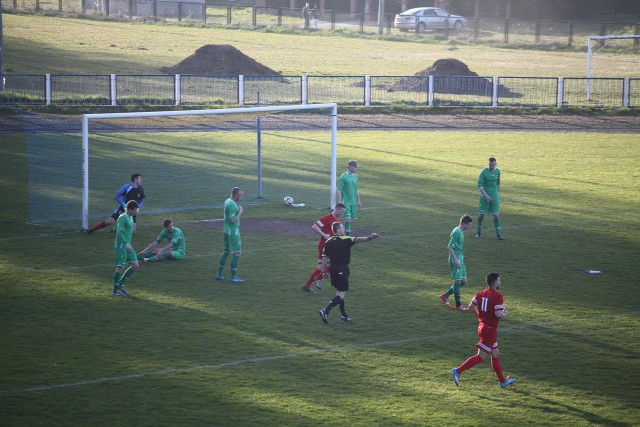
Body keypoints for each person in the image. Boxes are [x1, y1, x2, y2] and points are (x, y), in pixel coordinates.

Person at [451, 272, 518, 388]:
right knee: (481, 357)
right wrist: (504, 314)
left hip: (482, 327)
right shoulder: (498, 297)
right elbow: (497, 314)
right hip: (489, 330)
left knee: (496, 354)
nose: (500, 282)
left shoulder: (481, 293)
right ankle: (457, 371)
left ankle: (502, 381)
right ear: (495, 282)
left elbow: (471, 306)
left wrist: (480, 317)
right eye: (499, 280)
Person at [318, 222, 379, 324]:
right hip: (342, 269)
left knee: (339, 292)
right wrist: (370, 237)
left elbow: (324, 258)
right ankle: (326, 310)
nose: (344, 229)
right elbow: (359, 239)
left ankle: (344, 316)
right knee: (341, 294)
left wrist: (324, 272)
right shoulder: (345, 239)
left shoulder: (328, 241)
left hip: (332, 269)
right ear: (338, 230)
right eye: (342, 227)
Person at [302, 203, 346, 293]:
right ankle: (318, 278)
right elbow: (314, 226)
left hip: (328, 245)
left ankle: (307, 285)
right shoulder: (327, 218)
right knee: (334, 264)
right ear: (336, 209)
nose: (342, 214)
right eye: (341, 212)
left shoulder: (337, 218)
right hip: (325, 246)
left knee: (320, 268)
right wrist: (324, 235)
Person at [439, 214, 473, 311]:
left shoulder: (461, 231)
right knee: (457, 281)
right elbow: (449, 247)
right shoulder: (457, 232)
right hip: (455, 259)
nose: (470, 227)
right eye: (469, 225)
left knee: (464, 281)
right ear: (463, 223)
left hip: (460, 258)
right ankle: (458, 305)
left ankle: (445, 295)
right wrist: (456, 260)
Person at [112, 200, 140, 297]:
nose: (136, 212)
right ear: (130, 209)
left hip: (128, 245)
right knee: (120, 268)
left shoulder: (131, 216)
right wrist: (125, 244)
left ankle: (120, 283)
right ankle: (115, 290)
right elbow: (119, 233)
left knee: (135, 265)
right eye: (135, 210)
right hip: (122, 245)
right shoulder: (122, 218)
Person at [216, 187, 244, 283]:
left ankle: (219, 275)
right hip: (233, 232)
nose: (241, 197)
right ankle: (233, 277)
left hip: (226, 231)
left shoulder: (227, 201)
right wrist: (240, 212)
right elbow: (232, 220)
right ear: (235, 195)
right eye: (240, 195)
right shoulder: (232, 205)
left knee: (226, 251)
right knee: (237, 252)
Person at [476, 157, 504, 240]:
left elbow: (498, 183)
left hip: (494, 196)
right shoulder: (483, 172)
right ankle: (478, 232)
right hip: (485, 195)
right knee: (481, 214)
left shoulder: (498, 172)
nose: (491, 166)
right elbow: (479, 185)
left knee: (496, 214)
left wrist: (497, 194)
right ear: (488, 164)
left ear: (496, 164)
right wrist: (486, 195)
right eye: (490, 165)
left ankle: (498, 235)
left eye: (493, 165)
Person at [336, 159, 361, 236]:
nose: (357, 169)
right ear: (350, 166)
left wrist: (358, 201)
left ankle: (343, 232)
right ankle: (347, 236)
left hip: (353, 202)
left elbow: (356, 189)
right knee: (348, 218)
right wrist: (340, 202)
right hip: (346, 201)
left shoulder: (355, 177)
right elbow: (339, 189)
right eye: (355, 167)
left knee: (349, 220)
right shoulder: (343, 177)